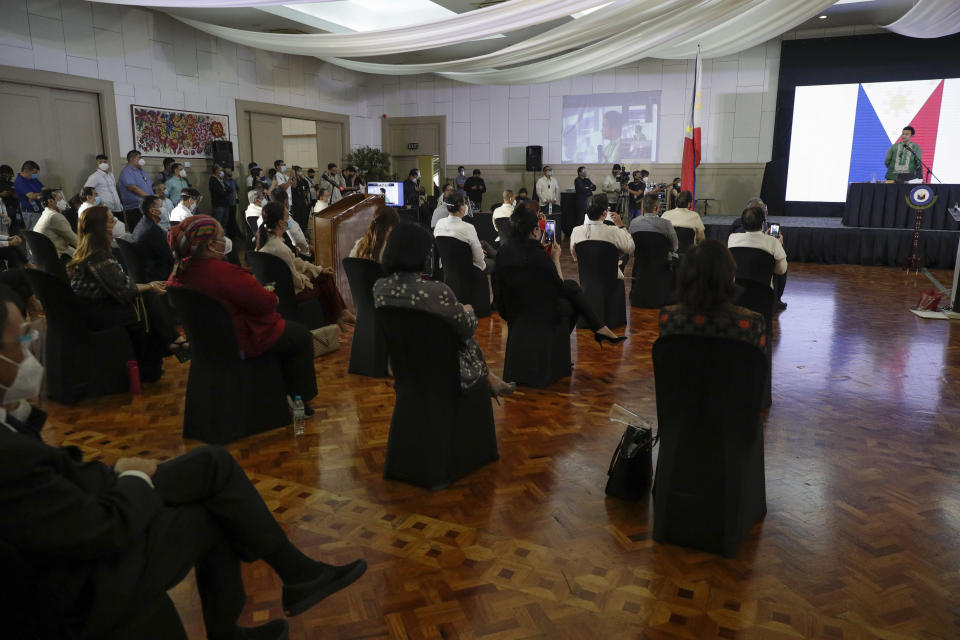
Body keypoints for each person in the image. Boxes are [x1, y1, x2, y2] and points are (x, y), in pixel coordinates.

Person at [0, 286, 366, 640]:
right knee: (215, 502)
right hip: (82, 583)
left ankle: (289, 583)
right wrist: (130, 478)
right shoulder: (10, 457)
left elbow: (55, 477)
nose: (30, 352)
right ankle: (289, 582)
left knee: (212, 465)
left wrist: (16, 410)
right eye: (22, 341)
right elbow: (99, 529)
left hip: (77, 520)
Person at [169, 216, 319, 402]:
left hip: (207, 344)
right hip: (243, 338)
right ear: (209, 245)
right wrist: (270, 294)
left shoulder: (178, 272)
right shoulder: (225, 273)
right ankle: (299, 400)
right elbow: (265, 303)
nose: (226, 242)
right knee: (301, 336)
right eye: (222, 237)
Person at [374, 222, 516, 398]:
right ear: (422, 256)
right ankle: (488, 378)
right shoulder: (436, 291)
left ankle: (490, 378)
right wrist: (468, 311)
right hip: (442, 367)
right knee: (461, 337)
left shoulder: (379, 288)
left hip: (402, 364)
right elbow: (467, 328)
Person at [67, 205, 181, 378]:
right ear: (102, 227)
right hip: (96, 311)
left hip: (95, 304)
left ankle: (168, 347)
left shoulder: (89, 248)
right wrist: (150, 286)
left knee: (148, 301)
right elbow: (124, 290)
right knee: (147, 303)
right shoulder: (98, 255)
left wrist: (149, 286)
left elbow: (120, 285)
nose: (116, 223)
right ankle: (168, 347)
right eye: (112, 220)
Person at [495, 205, 626, 345]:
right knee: (572, 293)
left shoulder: (503, 252)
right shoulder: (539, 256)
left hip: (509, 309)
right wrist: (555, 259)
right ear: (534, 232)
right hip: (536, 310)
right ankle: (589, 331)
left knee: (572, 286)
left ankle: (599, 327)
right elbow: (559, 288)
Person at [257, 202, 353, 332]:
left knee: (323, 275)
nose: (289, 219)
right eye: (287, 217)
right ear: (281, 222)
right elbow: (296, 281)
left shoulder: (265, 240)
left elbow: (294, 261)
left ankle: (340, 316)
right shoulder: (279, 248)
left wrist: (318, 269)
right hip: (289, 294)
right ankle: (337, 318)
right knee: (324, 282)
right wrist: (309, 274)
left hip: (278, 289)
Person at [659, 239, 766, 350]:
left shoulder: (668, 317)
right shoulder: (752, 323)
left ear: (685, 274)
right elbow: (760, 365)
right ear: (729, 275)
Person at [727, 204, 788, 306]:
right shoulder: (773, 242)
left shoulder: (732, 238)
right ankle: (777, 301)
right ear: (763, 224)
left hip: (737, 292)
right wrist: (779, 245)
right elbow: (781, 270)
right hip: (763, 296)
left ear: (742, 223)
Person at [569, 201, 634, 279]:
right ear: (604, 214)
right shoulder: (614, 231)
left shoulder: (576, 231)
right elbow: (630, 248)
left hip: (587, 280)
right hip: (610, 278)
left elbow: (575, 256)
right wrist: (621, 226)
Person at [434, 193, 494, 273]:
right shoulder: (468, 228)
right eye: (465, 203)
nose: (466, 206)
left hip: (445, 266)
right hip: (467, 268)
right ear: (461, 207)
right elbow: (479, 258)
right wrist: (478, 256)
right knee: (493, 264)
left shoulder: (439, 223)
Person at [132, 195, 176, 283]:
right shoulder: (152, 230)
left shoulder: (143, 223)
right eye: (161, 206)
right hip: (159, 273)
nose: (164, 208)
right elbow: (169, 257)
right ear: (152, 211)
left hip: (148, 267)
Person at [34, 188, 77, 259]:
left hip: (47, 255)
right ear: (51, 201)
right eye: (60, 199)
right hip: (59, 255)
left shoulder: (46, 214)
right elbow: (73, 240)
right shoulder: (55, 216)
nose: (63, 201)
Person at [269, 187, 312, 259]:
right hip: (299, 256)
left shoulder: (268, 215)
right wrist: (310, 249)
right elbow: (299, 242)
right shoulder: (286, 220)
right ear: (286, 201)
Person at [118, 150, 152, 225]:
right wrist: (149, 197)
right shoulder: (127, 171)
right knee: (137, 231)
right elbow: (132, 187)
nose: (142, 160)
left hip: (146, 205)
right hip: (135, 208)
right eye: (139, 157)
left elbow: (149, 185)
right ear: (132, 159)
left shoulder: (142, 171)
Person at [14, 160, 43, 230]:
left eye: (36, 173)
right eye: (34, 173)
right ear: (26, 171)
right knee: (33, 235)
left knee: (40, 233)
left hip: (39, 210)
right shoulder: (20, 181)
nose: (35, 175)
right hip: (30, 212)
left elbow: (44, 189)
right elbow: (31, 196)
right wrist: (43, 194)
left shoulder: (33, 179)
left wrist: (42, 193)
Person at [208, 164, 231, 228]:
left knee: (224, 223)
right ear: (216, 171)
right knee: (218, 223)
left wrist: (226, 191)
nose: (222, 172)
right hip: (218, 205)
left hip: (225, 204)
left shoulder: (221, 180)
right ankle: (217, 237)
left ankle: (223, 236)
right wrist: (226, 192)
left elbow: (230, 189)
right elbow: (221, 192)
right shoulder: (213, 180)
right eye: (220, 170)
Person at [290, 166, 312, 232]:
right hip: (295, 202)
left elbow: (306, 189)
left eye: (301, 170)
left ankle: (304, 230)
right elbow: (294, 186)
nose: (301, 172)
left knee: (304, 216)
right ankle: (298, 231)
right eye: (299, 171)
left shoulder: (304, 180)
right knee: (297, 218)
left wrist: (304, 198)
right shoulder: (291, 179)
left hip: (303, 201)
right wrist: (294, 177)